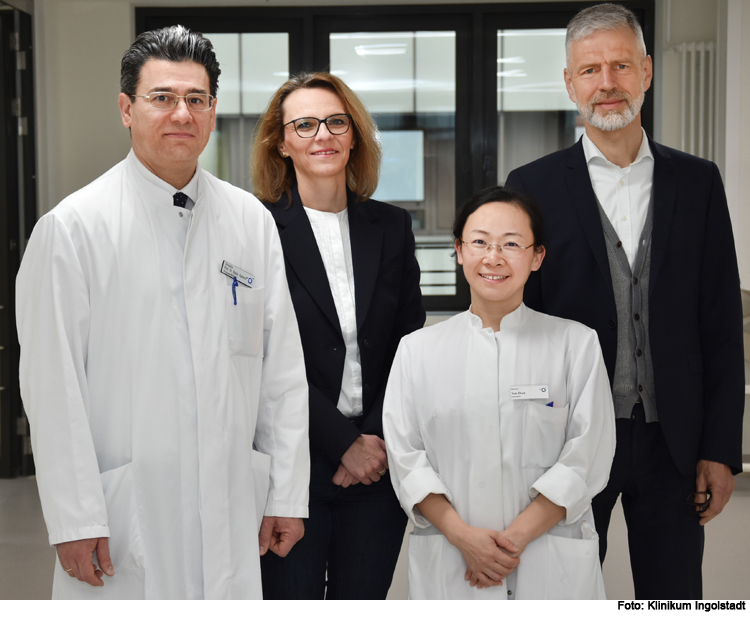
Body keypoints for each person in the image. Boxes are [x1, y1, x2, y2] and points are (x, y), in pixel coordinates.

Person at [16, 26, 310, 600]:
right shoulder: (73, 229)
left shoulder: (250, 221)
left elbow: (281, 372)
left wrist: (285, 494)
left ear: (213, 110)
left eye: (195, 99)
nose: (182, 113)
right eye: (162, 98)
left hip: (230, 506)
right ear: (127, 109)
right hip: (126, 512)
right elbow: (52, 386)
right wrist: (75, 518)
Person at [505, 3, 744, 600]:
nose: (606, 84)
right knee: (562, 591)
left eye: (619, 66)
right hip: (571, 437)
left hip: (674, 441)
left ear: (646, 71)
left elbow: (719, 322)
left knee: (676, 594)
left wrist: (720, 449)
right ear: (569, 84)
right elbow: (515, 324)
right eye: (589, 71)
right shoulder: (532, 185)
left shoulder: (698, 182)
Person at [382, 186, 616, 599]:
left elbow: (587, 455)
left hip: (548, 563)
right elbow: (407, 460)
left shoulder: (575, 345)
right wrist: (465, 539)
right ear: (458, 251)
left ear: (537, 256)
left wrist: (513, 541)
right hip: (453, 560)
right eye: (479, 242)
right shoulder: (417, 351)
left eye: (511, 244)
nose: (494, 257)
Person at [251, 72, 426, 599]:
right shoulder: (254, 229)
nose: (321, 135)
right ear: (281, 142)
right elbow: (258, 358)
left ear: (353, 135)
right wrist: (342, 442)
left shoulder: (391, 227)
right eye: (303, 125)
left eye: (334, 122)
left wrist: (369, 441)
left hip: (376, 466)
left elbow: (407, 344)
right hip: (290, 468)